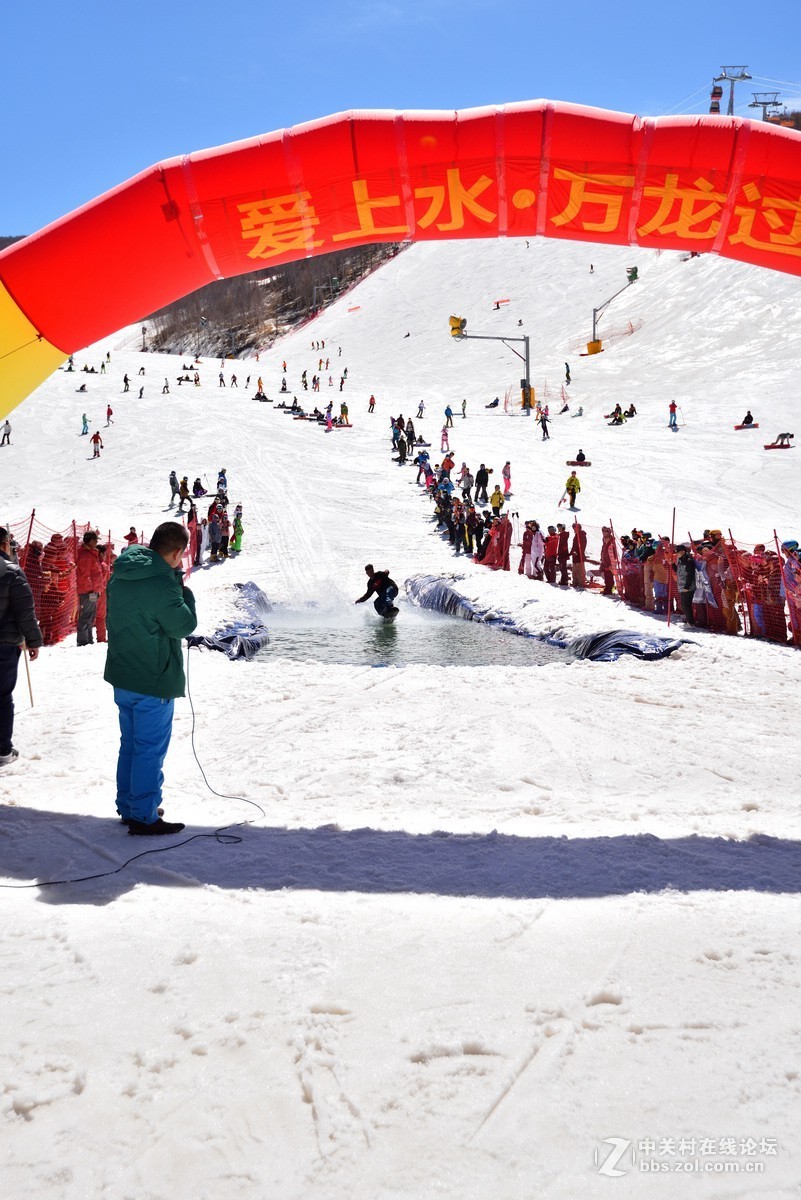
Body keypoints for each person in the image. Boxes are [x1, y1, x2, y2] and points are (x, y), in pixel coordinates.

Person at [104, 522, 196, 835]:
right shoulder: (162, 581)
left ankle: (131, 805)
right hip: (152, 677)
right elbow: (182, 625)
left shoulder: (123, 570)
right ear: (176, 552)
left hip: (123, 673)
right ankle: (143, 815)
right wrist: (186, 593)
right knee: (149, 749)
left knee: (130, 744)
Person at [0, 526, 43, 766]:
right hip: (5, 646)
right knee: (3, 695)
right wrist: (33, 641)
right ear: (5, 545)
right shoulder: (12, 572)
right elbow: (25, 612)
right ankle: (3, 749)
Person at [76, 530, 104, 646]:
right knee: (86, 616)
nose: (97, 542)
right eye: (96, 540)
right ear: (91, 541)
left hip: (92, 591)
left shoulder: (90, 554)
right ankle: (83, 641)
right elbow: (84, 575)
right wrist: (90, 590)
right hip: (88, 592)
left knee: (90, 616)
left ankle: (88, 640)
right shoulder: (86, 556)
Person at [674, 544, 696, 625]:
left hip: (688, 586)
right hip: (681, 585)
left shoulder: (688, 560)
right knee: (683, 605)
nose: (677, 554)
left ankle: (690, 622)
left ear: (683, 551)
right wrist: (672, 564)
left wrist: (687, 586)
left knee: (686, 605)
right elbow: (678, 571)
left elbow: (691, 574)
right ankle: (688, 619)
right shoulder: (680, 560)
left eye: (678, 552)